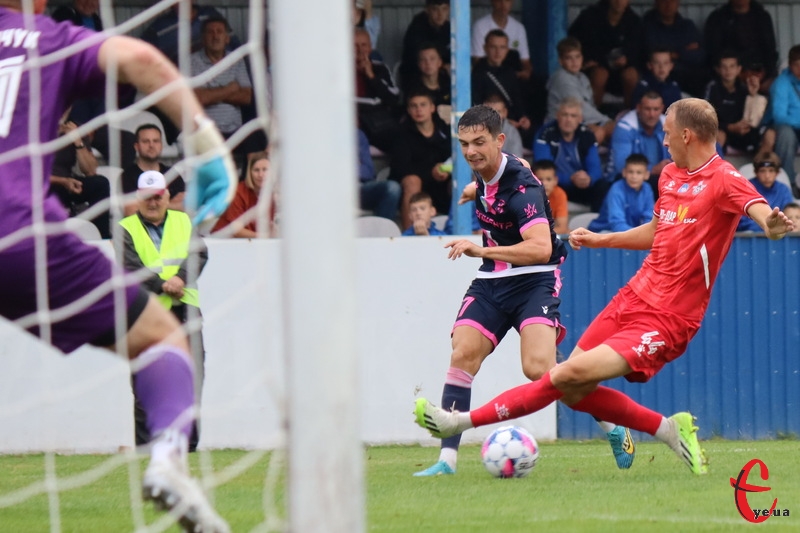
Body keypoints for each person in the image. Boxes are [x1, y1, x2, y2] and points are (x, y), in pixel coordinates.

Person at [414, 98, 795, 477]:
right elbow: (657, 231)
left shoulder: (726, 179)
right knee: (573, 388)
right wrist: (602, 239)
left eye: (666, 134)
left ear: (686, 134)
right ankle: (667, 429)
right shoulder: (670, 175)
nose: (662, 142)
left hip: (669, 316)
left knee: (559, 376)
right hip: (633, 296)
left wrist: (771, 224)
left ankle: (459, 423)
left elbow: (760, 212)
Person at [0, 0, 237, 528]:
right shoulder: (43, 37)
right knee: (161, 340)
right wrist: (207, 147)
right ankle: (168, 460)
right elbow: (141, 58)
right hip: (14, 230)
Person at [414, 104, 634, 477]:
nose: (470, 152)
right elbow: (488, 181)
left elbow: (540, 247)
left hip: (535, 279)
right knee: (463, 353)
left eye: (479, 143)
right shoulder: (488, 169)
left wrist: (481, 249)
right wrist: (474, 188)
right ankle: (446, 462)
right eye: (464, 144)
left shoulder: (523, 188)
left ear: (500, 140)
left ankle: (614, 425)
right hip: (492, 282)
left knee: (539, 369)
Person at [120, 171, 208, 453]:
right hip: (144, 316)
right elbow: (128, 266)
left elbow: (199, 253)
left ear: (167, 196)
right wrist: (164, 285)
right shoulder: (125, 228)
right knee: (145, 385)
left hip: (185, 312)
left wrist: (180, 278)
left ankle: (189, 448)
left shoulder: (184, 221)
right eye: (147, 197)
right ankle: (146, 449)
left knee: (191, 381)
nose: (153, 202)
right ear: (138, 198)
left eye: (158, 196)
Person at [190, 16, 253, 160]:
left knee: (255, 140)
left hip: (234, 131)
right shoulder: (192, 61)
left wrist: (211, 93)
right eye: (210, 32)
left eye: (219, 32)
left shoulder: (235, 59)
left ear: (227, 38)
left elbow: (246, 96)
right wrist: (230, 89)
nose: (215, 36)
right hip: (204, 131)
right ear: (203, 38)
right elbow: (198, 98)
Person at [389, 88, 451, 228]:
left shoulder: (446, 131)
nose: (418, 110)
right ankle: (409, 236)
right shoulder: (401, 134)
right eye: (413, 106)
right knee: (412, 180)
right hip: (413, 190)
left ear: (432, 108)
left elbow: (457, 158)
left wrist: (447, 171)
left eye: (423, 105)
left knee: (464, 180)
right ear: (409, 110)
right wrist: (431, 172)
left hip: (441, 188)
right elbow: (400, 169)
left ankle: (469, 234)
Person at [533, 98, 607, 212]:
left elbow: (595, 168)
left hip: (581, 185)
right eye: (565, 115)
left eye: (573, 116)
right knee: (544, 183)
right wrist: (570, 178)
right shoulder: (545, 134)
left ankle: (595, 223)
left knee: (603, 186)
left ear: (580, 119)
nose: (568, 120)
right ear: (557, 116)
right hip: (556, 184)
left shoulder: (587, 135)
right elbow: (542, 169)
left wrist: (589, 179)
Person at [568, 0, 643, 109]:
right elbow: (573, 41)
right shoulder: (590, 16)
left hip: (620, 73)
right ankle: (592, 116)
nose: (619, 2)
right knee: (600, 75)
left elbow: (638, 51)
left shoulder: (634, 21)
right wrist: (584, 61)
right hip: (594, 69)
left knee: (631, 75)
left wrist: (627, 59)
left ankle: (631, 117)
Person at [50, 116, 111, 238]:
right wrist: (62, 181)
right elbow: (24, 174)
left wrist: (77, 140)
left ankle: (101, 238)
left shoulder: (75, 128)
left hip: (68, 183)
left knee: (100, 183)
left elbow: (90, 171)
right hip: (40, 184)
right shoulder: (32, 127)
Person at [545, 37, 614, 145]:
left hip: (580, 121)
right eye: (569, 58)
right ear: (561, 61)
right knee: (598, 133)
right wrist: (605, 120)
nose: (574, 62)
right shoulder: (561, 78)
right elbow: (582, 108)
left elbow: (590, 105)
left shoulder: (582, 77)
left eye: (577, 57)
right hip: (560, 125)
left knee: (616, 129)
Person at [704, 0, 778, 93]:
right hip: (730, 74)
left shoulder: (762, 16)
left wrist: (767, 75)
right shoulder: (718, 18)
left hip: (759, 73)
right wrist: (738, 73)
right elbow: (713, 53)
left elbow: (770, 50)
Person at [605, 91, 671, 193]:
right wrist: (653, 169)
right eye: (647, 109)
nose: (652, 114)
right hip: (624, 178)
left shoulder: (669, 126)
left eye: (656, 109)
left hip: (659, 177)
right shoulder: (625, 127)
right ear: (639, 108)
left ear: (662, 108)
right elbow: (621, 165)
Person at [705, 51, 768, 155]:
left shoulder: (744, 88)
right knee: (718, 134)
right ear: (718, 69)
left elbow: (754, 120)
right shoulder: (712, 88)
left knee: (766, 134)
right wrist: (729, 127)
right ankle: (714, 169)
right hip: (721, 130)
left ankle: (762, 169)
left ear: (739, 69)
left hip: (740, 132)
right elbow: (705, 119)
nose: (728, 70)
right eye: (724, 67)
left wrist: (753, 95)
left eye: (732, 66)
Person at [641, 0, 707, 97]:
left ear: (678, 4)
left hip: (687, 74)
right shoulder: (648, 25)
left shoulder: (687, 26)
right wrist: (684, 50)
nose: (668, 5)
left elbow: (699, 56)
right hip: (659, 74)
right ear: (656, 3)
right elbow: (651, 51)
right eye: (664, 1)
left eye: (672, 1)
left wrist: (677, 53)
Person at [471, 30, 531, 136]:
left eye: (502, 47)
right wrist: (505, 121)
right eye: (493, 47)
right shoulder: (477, 73)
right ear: (485, 48)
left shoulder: (510, 72)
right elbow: (476, 105)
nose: (498, 52)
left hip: (512, 122)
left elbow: (516, 99)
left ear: (507, 50)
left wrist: (523, 117)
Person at [141, 3, 239, 66]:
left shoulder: (210, 14)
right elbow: (142, 61)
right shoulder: (159, 28)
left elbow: (235, 46)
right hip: (182, 82)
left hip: (221, 72)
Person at [121, 124, 186, 216]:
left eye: (156, 141)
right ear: (136, 146)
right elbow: (131, 211)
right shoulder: (126, 176)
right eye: (145, 141)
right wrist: (168, 203)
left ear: (161, 146)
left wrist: (146, 205)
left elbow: (186, 205)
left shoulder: (172, 173)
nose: (151, 145)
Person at [355, 27, 401, 153]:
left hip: (378, 124)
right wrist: (375, 102)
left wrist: (371, 76)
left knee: (404, 140)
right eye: (354, 46)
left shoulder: (380, 68)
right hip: (352, 123)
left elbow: (393, 98)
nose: (359, 50)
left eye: (363, 45)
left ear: (370, 47)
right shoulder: (340, 70)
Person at [212, 151, 273, 238]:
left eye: (265, 169)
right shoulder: (238, 192)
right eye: (256, 170)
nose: (261, 175)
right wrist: (264, 237)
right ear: (249, 172)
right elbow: (236, 230)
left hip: (252, 242)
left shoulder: (276, 193)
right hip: (224, 241)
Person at [589, 154, 655, 233]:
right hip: (604, 232)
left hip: (630, 234)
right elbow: (616, 224)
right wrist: (638, 236)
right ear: (624, 172)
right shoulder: (616, 189)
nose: (634, 176)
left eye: (639, 173)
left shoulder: (647, 189)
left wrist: (645, 234)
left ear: (646, 175)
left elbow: (649, 218)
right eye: (630, 172)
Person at [470, 0, 532, 80]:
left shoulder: (519, 28)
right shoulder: (480, 26)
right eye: (499, 1)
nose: (503, 5)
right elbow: (477, 61)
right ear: (492, 2)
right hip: (489, 77)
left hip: (513, 77)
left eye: (507, 1)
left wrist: (526, 71)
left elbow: (525, 60)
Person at [737, 152, 794, 232]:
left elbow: (789, 216)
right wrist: (768, 227)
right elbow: (741, 220)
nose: (767, 176)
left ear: (777, 173)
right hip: (749, 236)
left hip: (777, 234)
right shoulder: (746, 188)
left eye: (771, 171)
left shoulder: (784, 190)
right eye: (762, 171)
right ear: (756, 173)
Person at [399, 0, 450, 88]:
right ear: (427, 10)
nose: (440, 14)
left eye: (444, 9)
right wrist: (443, 65)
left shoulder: (448, 28)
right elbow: (420, 57)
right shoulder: (417, 27)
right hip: (415, 74)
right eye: (435, 9)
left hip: (440, 73)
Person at [770, 45, 800, 184]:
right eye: (797, 66)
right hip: (785, 127)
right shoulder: (781, 83)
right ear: (790, 65)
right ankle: (788, 183)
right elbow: (779, 116)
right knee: (786, 135)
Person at [357, 128, 401, 221]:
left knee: (392, 188)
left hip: (360, 188)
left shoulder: (358, 135)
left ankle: (381, 232)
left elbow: (368, 172)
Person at [401, 44, 451, 108]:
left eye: (432, 59)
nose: (428, 63)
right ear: (418, 63)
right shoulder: (413, 87)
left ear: (440, 62)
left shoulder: (449, 83)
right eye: (423, 59)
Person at [532, 159, 569, 235]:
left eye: (549, 179)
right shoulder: (527, 195)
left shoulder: (560, 194)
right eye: (540, 179)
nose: (545, 183)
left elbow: (562, 228)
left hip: (547, 234)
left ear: (555, 180)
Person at [483, 93, 523, 158]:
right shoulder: (477, 130)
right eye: (490, 112)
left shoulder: (512, 132)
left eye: (498, 112)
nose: (494, 116)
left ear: (505, 112)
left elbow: (518, 160)